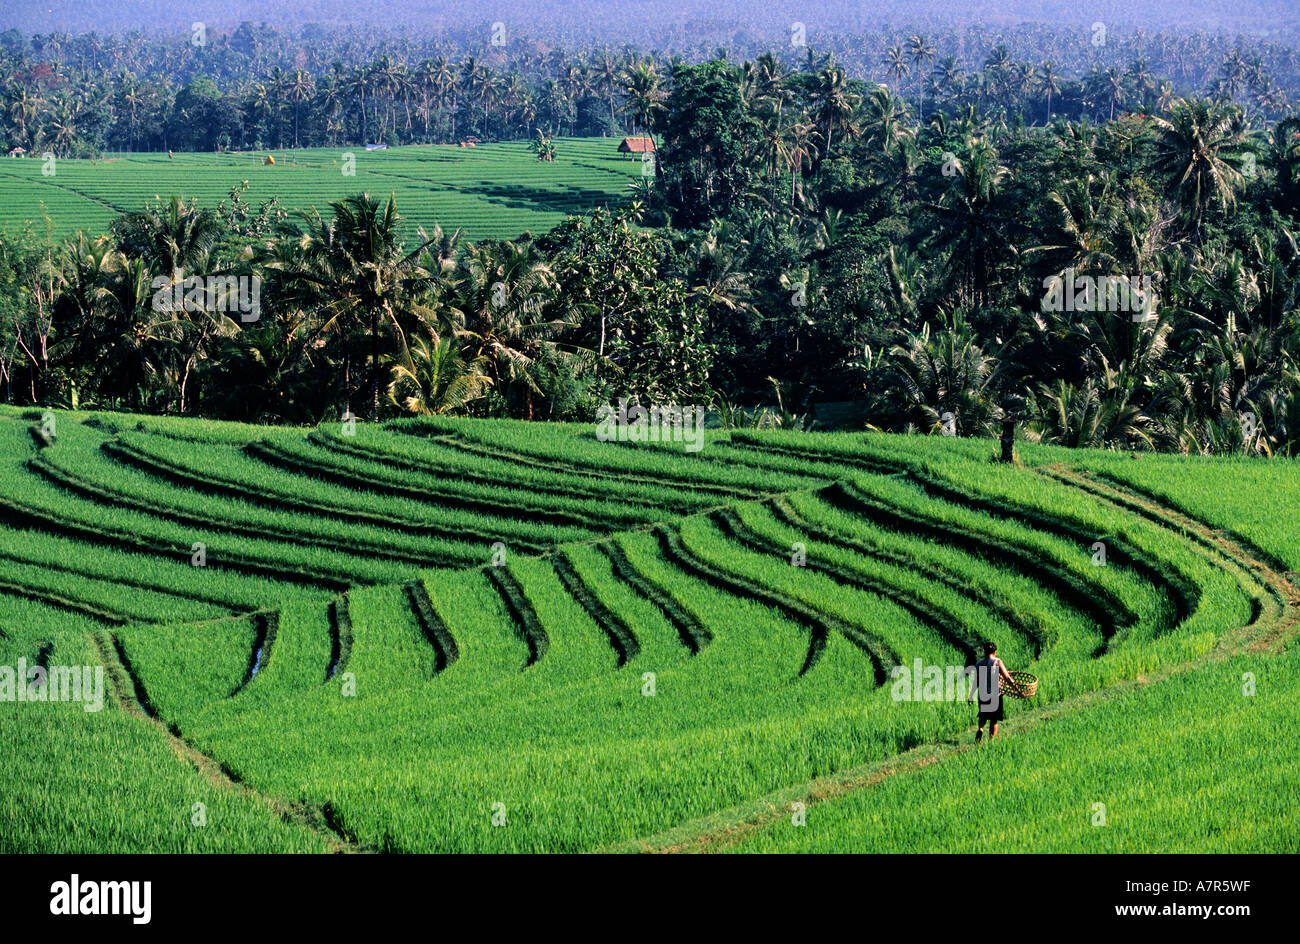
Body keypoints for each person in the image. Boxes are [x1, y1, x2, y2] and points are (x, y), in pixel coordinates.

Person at [970, 641, 1016, 742]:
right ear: (995, 652)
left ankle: (980, 729)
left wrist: (971, 696)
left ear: (985, 652)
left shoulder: (978, 664)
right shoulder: (997, 662)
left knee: (983, 715)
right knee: (993, 719)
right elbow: (1007, 677)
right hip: (995, 695)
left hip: (982, 695)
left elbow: (975, 682)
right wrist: (1015, 686)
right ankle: (991, 740)